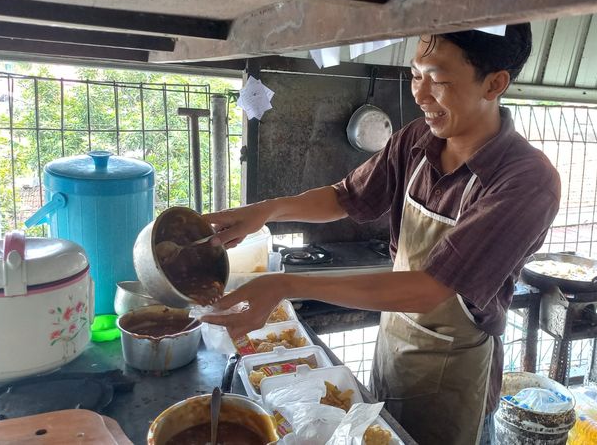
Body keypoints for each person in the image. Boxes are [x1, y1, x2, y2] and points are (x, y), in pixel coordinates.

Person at [202, 23, 561, 445]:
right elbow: (345, 197)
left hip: (455, 374)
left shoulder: (525, 180)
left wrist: (284, 284)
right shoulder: (416, 140)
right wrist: (265, 211)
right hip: (393, 346)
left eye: (438, 80)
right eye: (415, 75)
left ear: (495, 83)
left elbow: (430, 289)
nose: (420, 95)